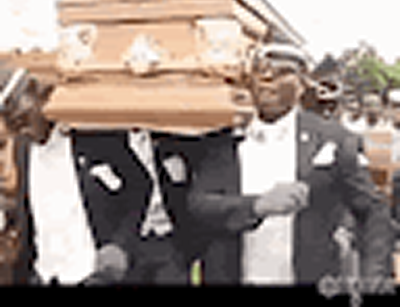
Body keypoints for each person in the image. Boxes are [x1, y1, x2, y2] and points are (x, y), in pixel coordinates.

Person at [186, 41, 394, 290]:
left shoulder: (332, 139)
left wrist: (373, 277)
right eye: (261, 72)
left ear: (303, 83)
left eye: (281, 72)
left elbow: (373, 211)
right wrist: (257, 206)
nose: (268, 81)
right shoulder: (222, 141)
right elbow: (198, 205)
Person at [0, 61, 194, 285]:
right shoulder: (23, 150)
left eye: (25, 120)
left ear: (40, 105)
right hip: (45, 274)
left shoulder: (91, 138)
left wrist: (119, 245)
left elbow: (140, 184)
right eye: (15, 126)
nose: (24, 131)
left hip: (93, 273)